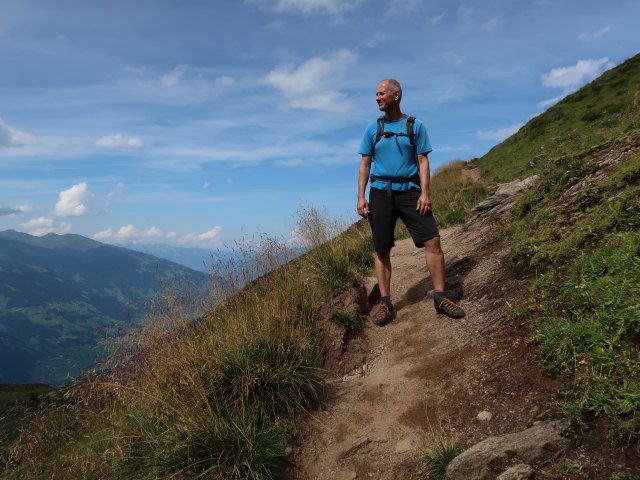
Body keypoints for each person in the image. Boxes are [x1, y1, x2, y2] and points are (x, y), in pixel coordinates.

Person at [356, 78, 465, 326]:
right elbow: (364, 163)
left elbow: (423, 161)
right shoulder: (372, 128)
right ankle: (385, 302)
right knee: (381, 248)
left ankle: (440, 297)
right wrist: (361, 196)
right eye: (376, 94)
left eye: (381, 93)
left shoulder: (415, 125)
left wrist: (425, 193)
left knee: (432, 239)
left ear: (396, 95)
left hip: (411, 191)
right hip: (380, 192)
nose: (377, 98)